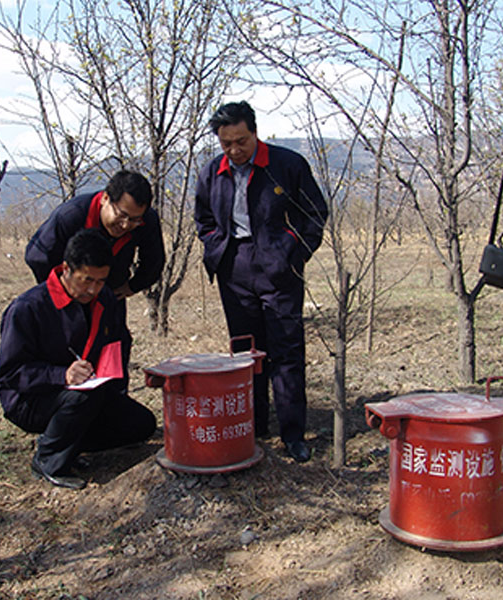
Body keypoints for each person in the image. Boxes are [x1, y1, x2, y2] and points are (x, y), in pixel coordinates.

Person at [194, 101, 329, 463]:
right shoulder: (211, 172)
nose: (235, 150)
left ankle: (293, 433)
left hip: (279, 266)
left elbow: (314, 214)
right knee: (246, 352)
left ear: (255, 132)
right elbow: (203, 219)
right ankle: (252, 426)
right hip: (233, 266)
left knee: (286, 348)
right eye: (227, 144)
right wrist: (215, 247)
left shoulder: (287, 165)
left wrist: (294, 253)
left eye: (241, 141)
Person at [0, 229, 157, 489]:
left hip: (88, 392)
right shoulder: (27, 308)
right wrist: (62, 375)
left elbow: (117, 343)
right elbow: (11, 374)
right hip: (31, 399)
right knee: (82, 397)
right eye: (86, 280)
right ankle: (48, 459)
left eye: (101, 281)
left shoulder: (104, 299)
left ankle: (67, 445)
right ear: (66, 270)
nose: (93, 289)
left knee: (140, 425)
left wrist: (116, 387)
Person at [25, 169, 164, 299]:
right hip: (72, 296)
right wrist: (61, 291)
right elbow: (37, 257)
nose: (125, 225)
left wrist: (133, 286)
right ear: (105, 198)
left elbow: (154, 260)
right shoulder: (71, 216)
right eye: (121, 215)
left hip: (111, 296)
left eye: (134, 220)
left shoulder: (146, 220)